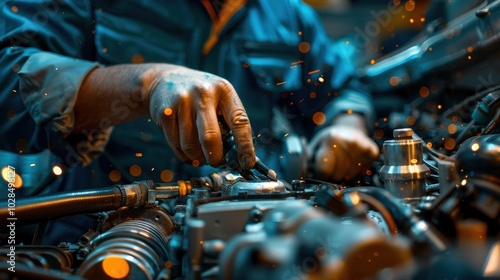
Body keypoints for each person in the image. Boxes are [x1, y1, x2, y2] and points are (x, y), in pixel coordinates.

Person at [0, 0, 378, 243]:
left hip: (243, 241)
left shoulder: (288, 14)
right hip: (92, 236)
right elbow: (7, 82)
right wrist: (144, 83)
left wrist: (345, 125)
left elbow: (344, 90)